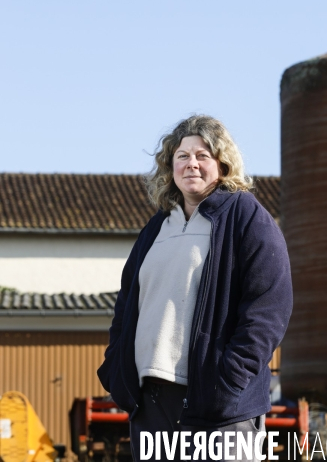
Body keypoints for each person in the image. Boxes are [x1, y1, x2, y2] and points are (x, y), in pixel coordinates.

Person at [97, 115, 293, 462]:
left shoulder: (246, 217)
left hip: (218, 406)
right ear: (170, 165)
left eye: (202, 155)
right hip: (152, 403)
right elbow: (126, 305)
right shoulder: (156, 227)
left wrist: (229, 379)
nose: (192, 164)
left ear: (222, 163)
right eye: (182, 156)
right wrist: (116, 369)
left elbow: (269, 307)